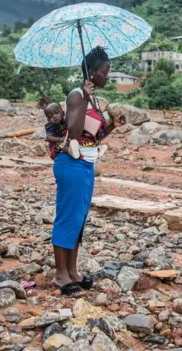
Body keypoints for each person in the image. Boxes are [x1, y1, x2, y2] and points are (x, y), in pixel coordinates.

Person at [51, 46, 125, 295]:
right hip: (71, 163)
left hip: (86, 163)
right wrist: (83, 97)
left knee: (79, 218)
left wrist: (113, 125)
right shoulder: (76, 96)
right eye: (105, 72)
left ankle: (73, 270)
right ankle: (60, 275)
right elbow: (72, 131)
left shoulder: (93, 99)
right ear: (92, 72)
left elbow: (97, 136)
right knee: (67, 217)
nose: (108, 76)